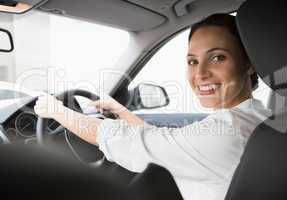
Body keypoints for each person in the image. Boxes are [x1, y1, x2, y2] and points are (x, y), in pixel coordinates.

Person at [34, 14, 271, 200]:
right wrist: (121, 111)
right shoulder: (259, 117)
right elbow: (161, 142)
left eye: (218, 57)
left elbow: (121, 139)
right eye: (192, 61)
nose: (200, 73)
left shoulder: (227, 132)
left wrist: (55, 110)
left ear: (248, 63)